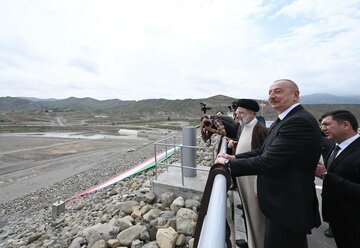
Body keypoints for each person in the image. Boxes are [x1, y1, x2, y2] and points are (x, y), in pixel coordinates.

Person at [216, 79, 321, 248]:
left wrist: (227, 168)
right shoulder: (283, 120)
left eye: (278, 91)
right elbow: (262, 151)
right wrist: (234, 158)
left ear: (295, 95)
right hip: (279, 201)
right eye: (270, 92)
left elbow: (268, 161)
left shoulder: (298, 122)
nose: (272, 96)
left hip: (288, 204)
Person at [316, 110, 360, 247]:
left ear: (346, 125)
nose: (322, 128)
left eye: (327, 124)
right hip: (337, 218)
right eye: (322, 125)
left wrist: (325, 175)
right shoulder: (335, 147)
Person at [228, 99, 268, 248]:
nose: (238, 115)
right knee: (249, 212)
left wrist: (259, 188)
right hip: (244, 178)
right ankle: (251, 242)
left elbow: (262, 159)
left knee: (257, 216)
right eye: (238, 112)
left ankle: (258, 243)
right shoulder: (244, 126)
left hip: (254, 182)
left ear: (252, 113)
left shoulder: (260, 130)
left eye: (241, 113)